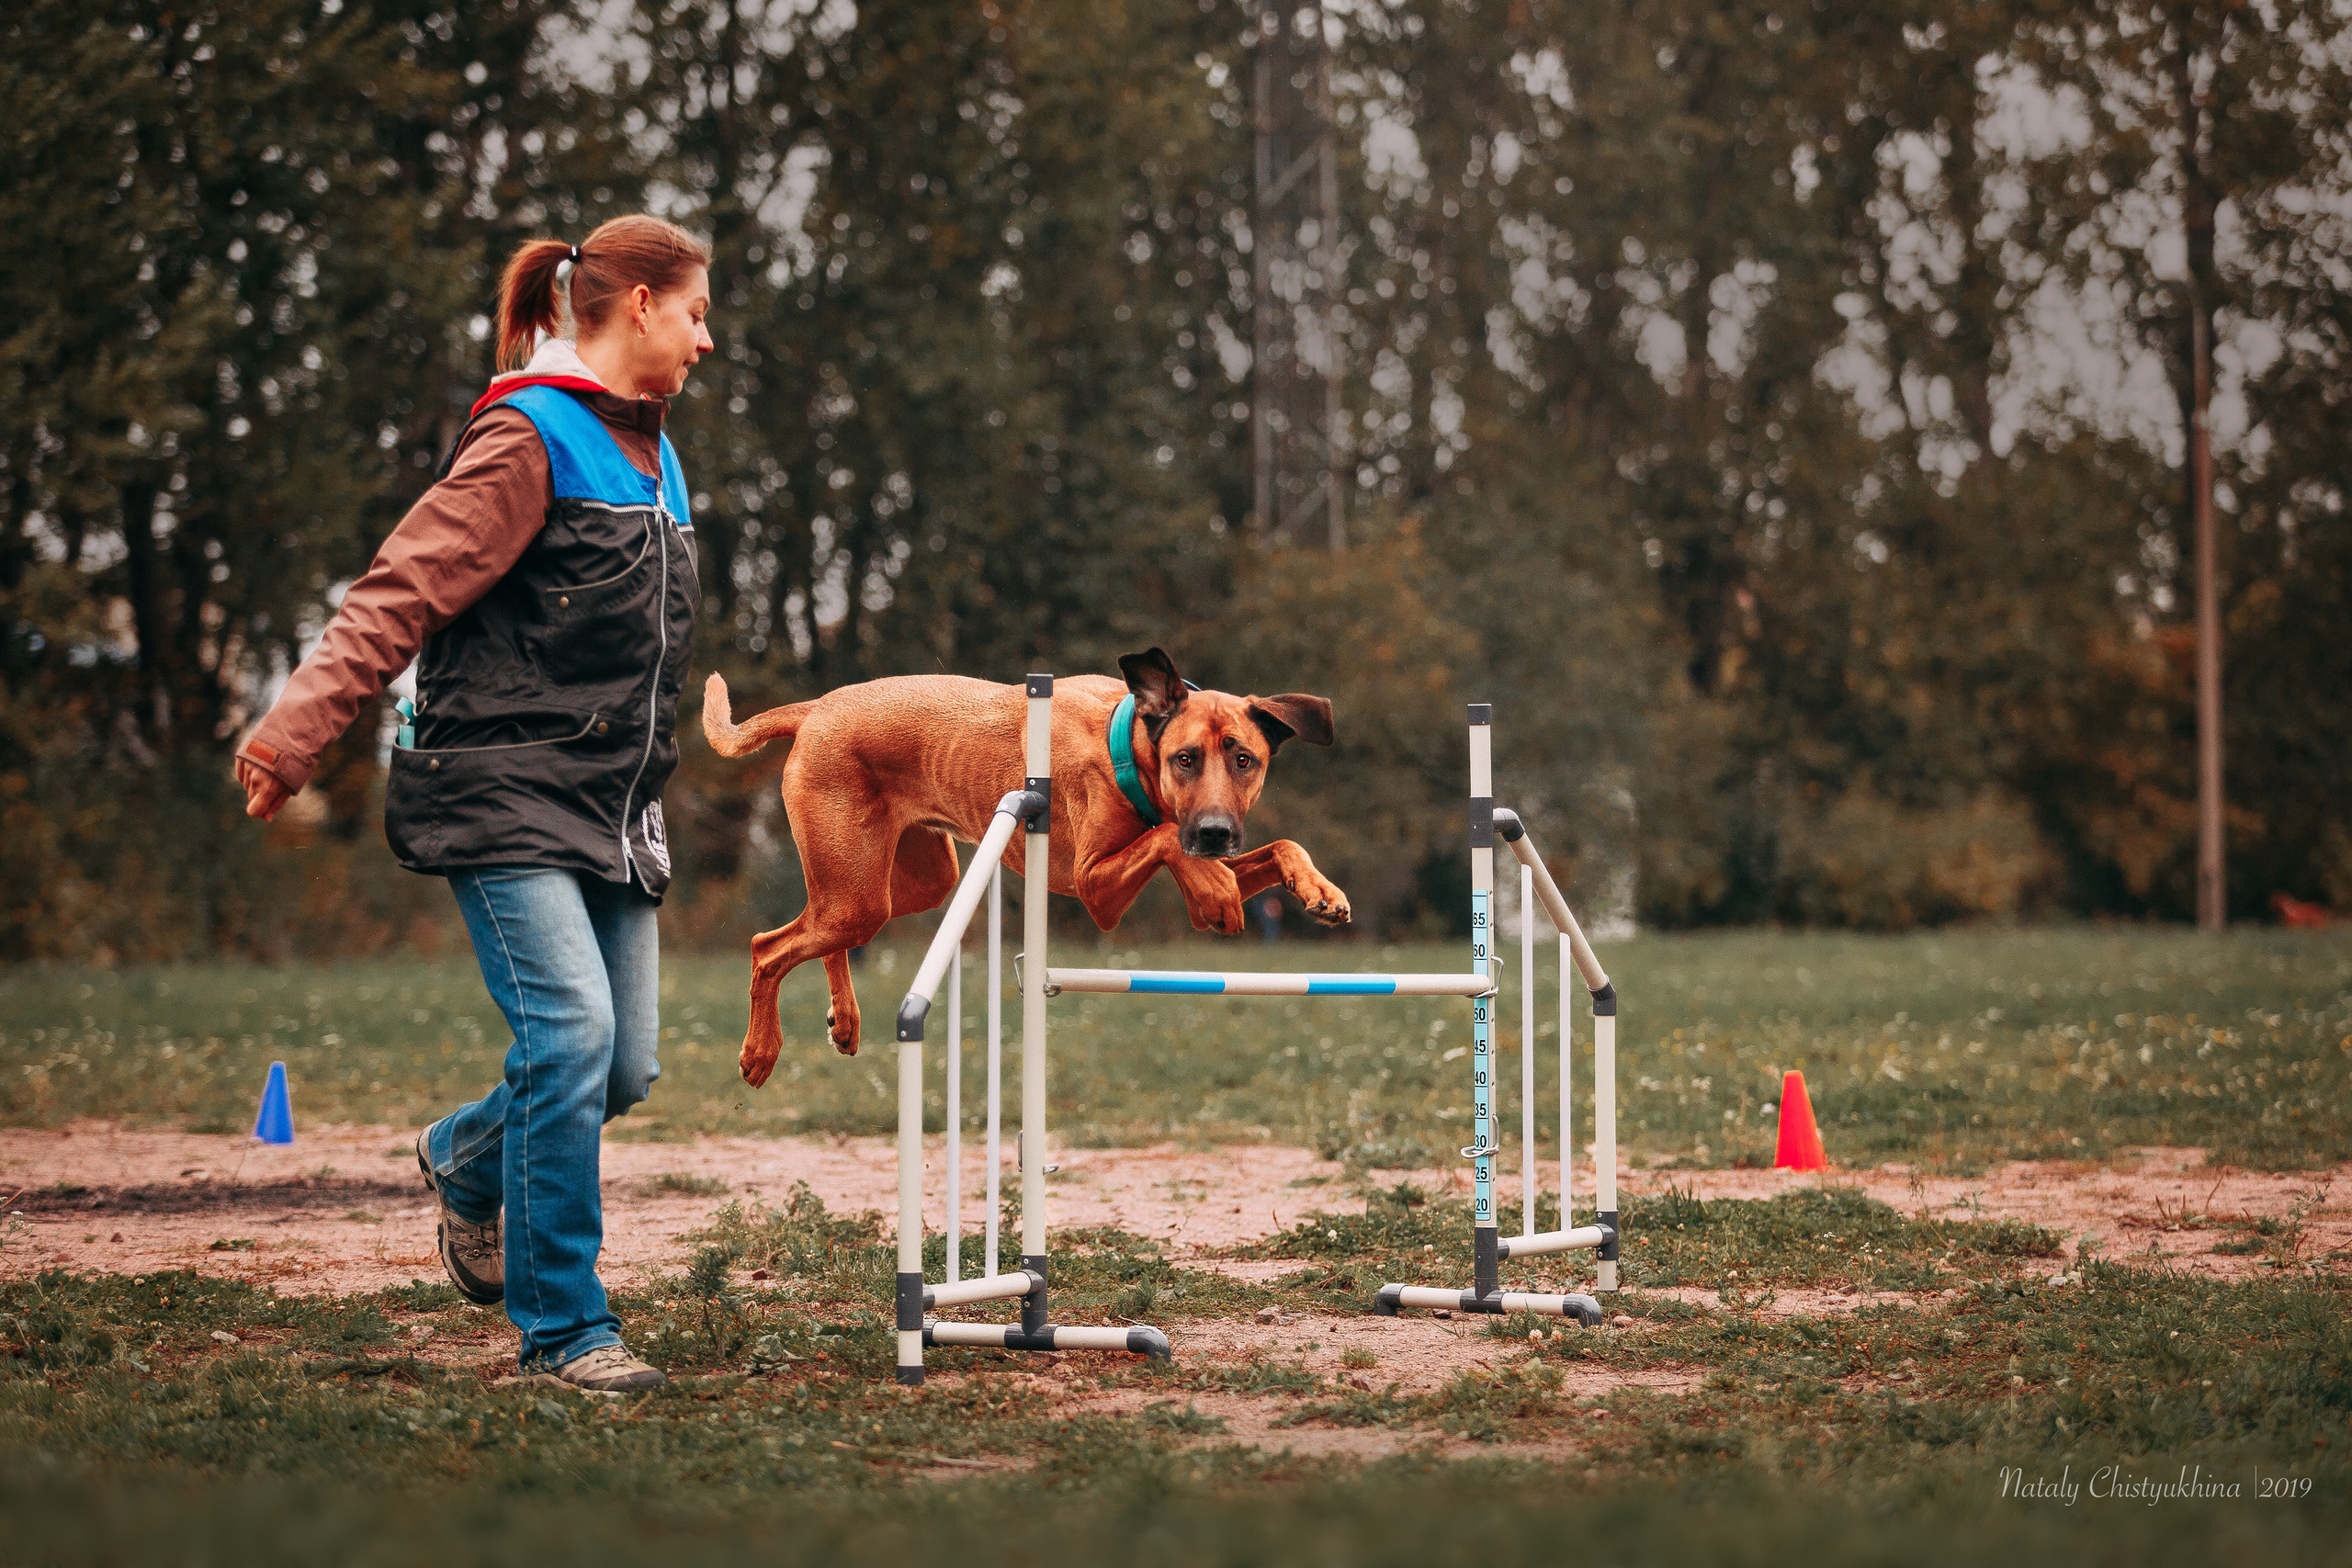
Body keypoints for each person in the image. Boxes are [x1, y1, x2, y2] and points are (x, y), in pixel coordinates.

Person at [234, 216, 714, 1392]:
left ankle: (465, 1159)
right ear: (641, 304)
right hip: (499, 788)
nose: (707, 339)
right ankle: (566, 1333)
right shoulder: (525, 439)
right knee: (571, 1036)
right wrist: (299, 725)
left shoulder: (659, 455)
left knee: (621, 1070)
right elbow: (398, 590)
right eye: (698, 311)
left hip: (610, 805)